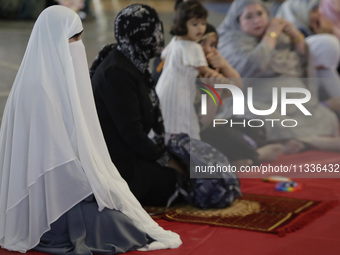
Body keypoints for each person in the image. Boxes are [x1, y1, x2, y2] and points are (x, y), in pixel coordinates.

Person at [0, 5, 181, 254]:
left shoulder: (54, 78)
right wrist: (88, 183)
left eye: (80, 36)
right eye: (73, 38)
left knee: (116, 207)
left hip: (65, 181)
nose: (79, 44)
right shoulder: (39, 90)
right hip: (47, 197)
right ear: (55, 40)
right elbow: (50, 161)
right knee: (114, 224)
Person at [91, 4, 186, 207]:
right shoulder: (117, 72)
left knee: (194, 166)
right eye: (151, 32)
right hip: (119, 168)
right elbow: (132, 133)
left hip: (130, 155)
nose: (158, 36)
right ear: (136, 36)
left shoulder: (132, 62)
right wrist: (164, 159)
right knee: (185, 182)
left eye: (158, 29)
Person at [217, 0, 340, 151]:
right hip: (255, 99)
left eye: (260, 14)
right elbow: (253, 67)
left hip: (290, 101)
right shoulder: (230, 42)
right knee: (259, 117)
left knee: (327, 117)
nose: (257, 20)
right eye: (249, 17)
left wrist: (296, 37)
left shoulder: (282, 37)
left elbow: (300, 66)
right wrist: (271, 36)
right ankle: (311, 140)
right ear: (238, 20)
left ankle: (291, 140)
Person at [156, 0, 222, 141]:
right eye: (195, 24)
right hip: (180, 94)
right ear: (182, 24)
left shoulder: (175, 41)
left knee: (166, 125)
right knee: (184, 129)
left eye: (203, 23)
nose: (200, 29)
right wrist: (218, 76)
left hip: (163, 89)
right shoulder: (193, 47)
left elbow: (163, 56)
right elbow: (205, 71)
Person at [275, 0, 340, 101]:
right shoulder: (288, 44)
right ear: (299, 12)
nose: (320, 14)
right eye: (314, 11)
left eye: (319, 10)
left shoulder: (318, 35)